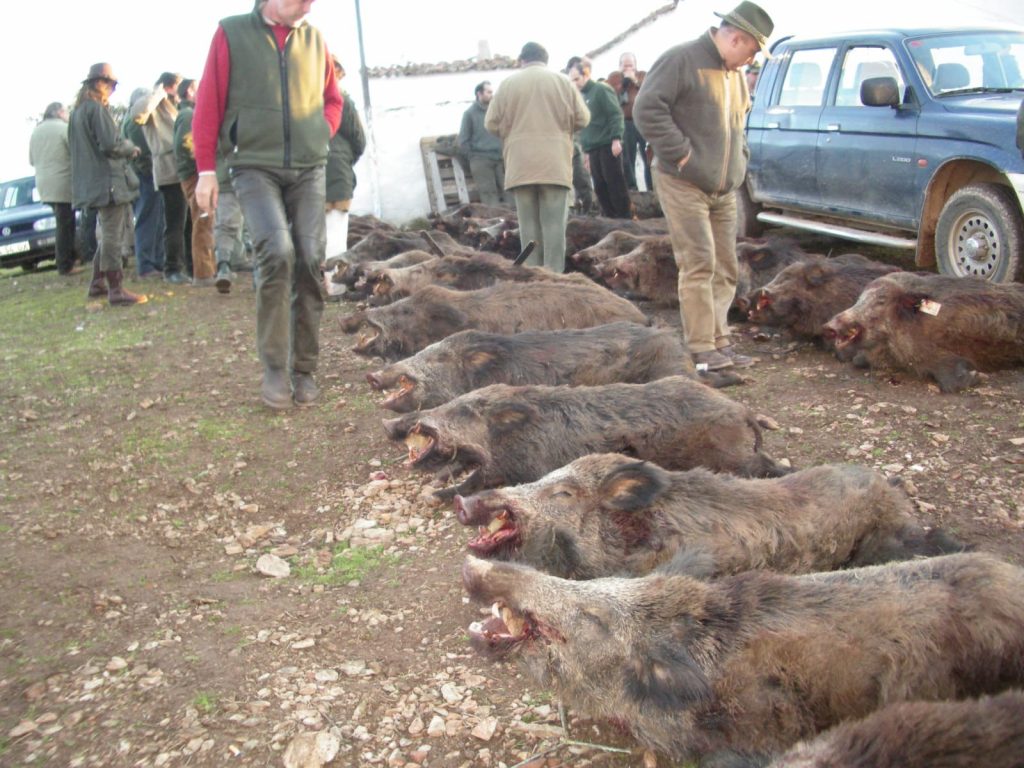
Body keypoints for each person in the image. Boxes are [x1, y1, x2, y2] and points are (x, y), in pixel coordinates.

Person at [192, 0, 342, 409]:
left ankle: (304, 369)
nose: (308, 6)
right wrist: (206, 168)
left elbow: (333, 99)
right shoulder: (231, 33)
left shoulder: (313, 39)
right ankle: (276, 368)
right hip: (254, 166)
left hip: (310, 167)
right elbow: (208, 104)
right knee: (277, 253)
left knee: (311, 259)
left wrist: (319, 131)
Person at [634, 1, 773, 371]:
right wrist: (681, 155)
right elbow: (647, 108)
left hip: (723, 188)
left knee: (726, 265)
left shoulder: (733, 76)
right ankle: (700, 347)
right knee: (698, 263)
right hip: (683, 183)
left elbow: (738, 123)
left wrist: (739, 161)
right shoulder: (680, 59)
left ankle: (719, 339)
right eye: (752, 51)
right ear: (737, 38)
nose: (751, 59)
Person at [485, 42, 589, 273]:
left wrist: (512, 135)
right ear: (546, 60)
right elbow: (583, 118)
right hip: (555, 164)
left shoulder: (507, 85)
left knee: (528, 227)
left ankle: (532, 277)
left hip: (520, 165)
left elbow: (490, 123)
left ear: (522, 60)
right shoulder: (563, 82)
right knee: (554, 227)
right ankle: (554, 277)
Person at [68, 62, 146, 306]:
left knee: (109, 234)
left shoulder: (77, 112)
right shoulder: (95, 110)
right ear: (101, 84)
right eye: (111, 85)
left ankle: (98, 282)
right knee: (114, 234)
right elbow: (110, 145)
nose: (112, 90)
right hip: (108, 182)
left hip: (94, 182)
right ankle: (116, 288)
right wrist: (131, 147)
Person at [131, 72, 189, 284]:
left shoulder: (173, 105)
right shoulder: (153, 102)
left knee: (187, 222)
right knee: (174, 222)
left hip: (182, 167)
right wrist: (158, 92)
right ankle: (172, 268)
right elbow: (137, 114)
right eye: (176, 85)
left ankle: (187, 267)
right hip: (167, 170)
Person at [568, 58, 632, 219]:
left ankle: (624, 217)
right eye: (572, 80)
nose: (575, 83)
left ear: (586, 75)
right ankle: (610, 217)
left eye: (577, 79)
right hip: (593, 147)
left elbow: (615, 114)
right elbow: (585, 126)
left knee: (615, 184)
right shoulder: (580, 96)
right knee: (600, 187)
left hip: (608, 144)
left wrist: (616, 139)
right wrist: (587, 152)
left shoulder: (601, 89)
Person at [173, 78, 219, 288]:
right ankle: (203, 273)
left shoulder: (187, 114)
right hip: (194, 175)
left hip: (195, 173)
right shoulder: (187, 115)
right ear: (190, 92)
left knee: (205, 221)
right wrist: (207, 160)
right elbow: (187, 145)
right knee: (202, 221)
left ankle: (209, 269)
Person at [324, 57, 366, 272]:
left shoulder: (296, 99)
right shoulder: (342, 99)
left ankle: (307, 282)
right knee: (335, 230)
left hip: (303, 175)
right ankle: (334, 283)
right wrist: (349, 158)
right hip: (337, 172)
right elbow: (358, 138)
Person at [29, 102, 78, 275]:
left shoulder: (36, 131)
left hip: (43, 184)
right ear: (58, 112)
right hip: (62, 181)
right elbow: (75, 151)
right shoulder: (63, 128)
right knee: (65, 224)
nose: (66, 114)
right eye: (65, 111)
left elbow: (31, 160)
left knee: (62, 222)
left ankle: (67, 260)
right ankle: (65, 264)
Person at [123, 87, 165, 278]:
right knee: (147, 218)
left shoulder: (128, 120)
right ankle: (147, 264)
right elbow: (145, 150)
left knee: (153, 218)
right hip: (144, 175)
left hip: (142, 173)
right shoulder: (135, 122)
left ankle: (154, 261)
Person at [606, 53, 652, 191]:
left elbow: (650, 92)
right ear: (619, 66)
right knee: (627, 157)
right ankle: (631, 187)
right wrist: (623, 84)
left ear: (635, 65)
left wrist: (635, 82)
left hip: (643, 121)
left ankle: (651, 187)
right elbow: (610, 96)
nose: (627, 68)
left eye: (630, 65)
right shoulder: (614, 78)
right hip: (625, 122)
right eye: (624, 65)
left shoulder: (643, 76)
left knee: (648, 156)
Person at [457, 80, 505, 208]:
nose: (492, 95)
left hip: (501, 158)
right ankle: (495, 223)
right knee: (488, 195)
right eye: (488, 92)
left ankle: (514, 224)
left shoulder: (497, 111)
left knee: (510, 191)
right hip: (481, 159)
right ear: (479, 93)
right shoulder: (469, 114)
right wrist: (473, 157)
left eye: (492, 92)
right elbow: (463, 140)